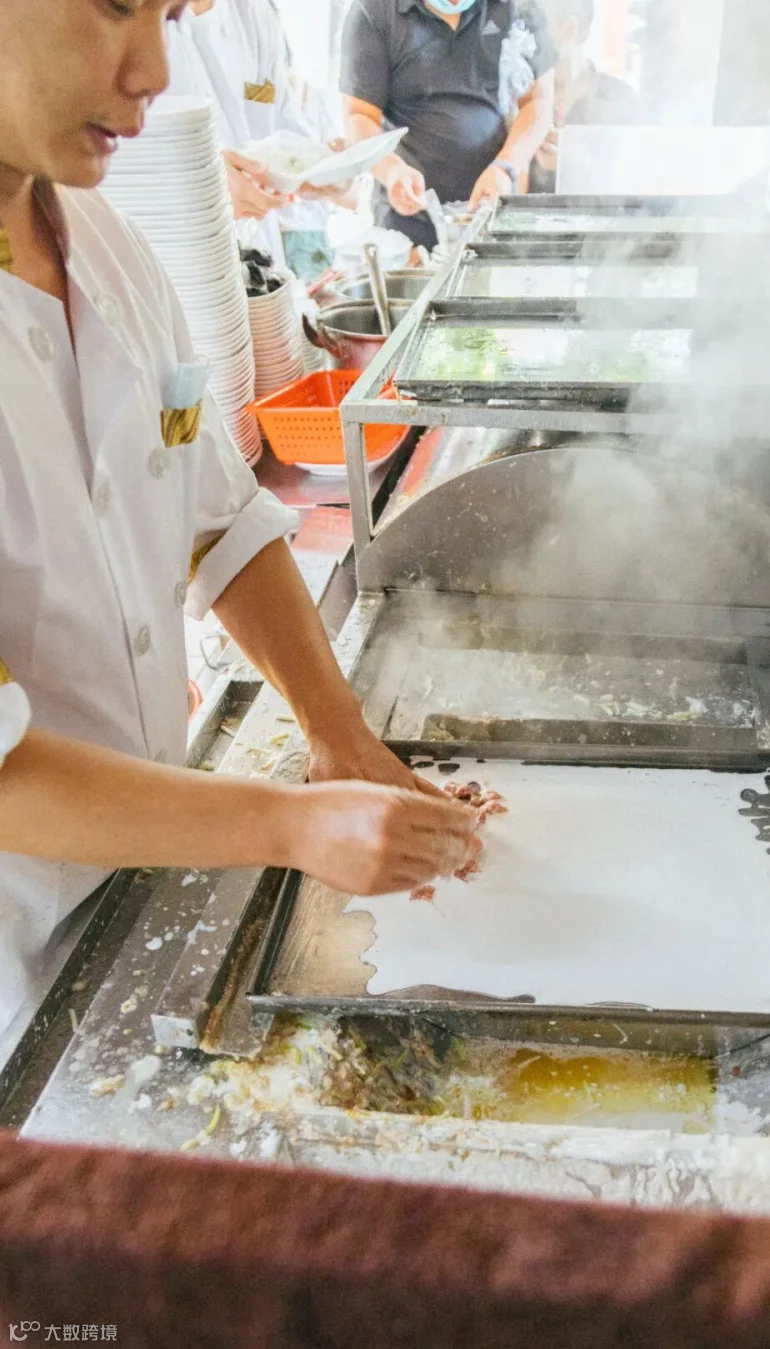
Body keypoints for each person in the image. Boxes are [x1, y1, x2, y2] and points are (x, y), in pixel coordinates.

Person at [0, 0, 475, 1035]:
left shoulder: (110, 251)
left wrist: (337, 733)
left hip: (141, 860)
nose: (155, 70)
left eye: (171, 15)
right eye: (116, 5)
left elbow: (214, 514)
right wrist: (289, 824)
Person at [340, 0, 556, 250]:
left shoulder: (518, 6)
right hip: (407, 226)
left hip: (495, 213)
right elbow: (358, 116)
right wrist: (392, 170)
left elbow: (539, 101)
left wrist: (505, 167)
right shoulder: (376, 10)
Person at [167, 0, 353, 273]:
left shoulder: (252, 12)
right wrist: (202, 186)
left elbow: (283, 135)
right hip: (173, 255)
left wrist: (324, 169)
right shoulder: (127, 18)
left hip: (257, 252)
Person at [530, 0, 640, 194]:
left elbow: (635, 182)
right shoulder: (515, 97)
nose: (522, 38)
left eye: (534, 26)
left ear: (570, 30)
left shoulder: (622, 101)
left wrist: (570, 168)